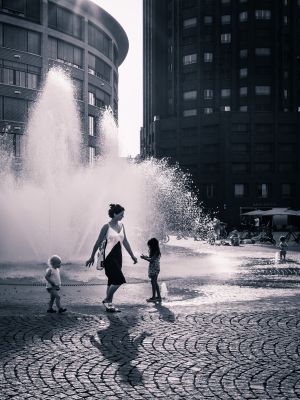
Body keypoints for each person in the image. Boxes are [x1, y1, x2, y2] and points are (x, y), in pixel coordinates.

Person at [86, 204, 137, 312]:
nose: (123, 216)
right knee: (118, 280)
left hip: (118, 256)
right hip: (108, 256)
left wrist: (132, 255)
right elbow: (98, 242)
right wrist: (92, 257)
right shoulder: (106, 226)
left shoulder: (122, 225)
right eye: (121, 214)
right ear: (114, 214)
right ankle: (107, 300)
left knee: (112, 280)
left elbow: (125, 241)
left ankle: (109, 305)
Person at [140, 238, 161, 303]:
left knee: (153, 283)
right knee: (154, 282)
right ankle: (159, 297)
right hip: (154, 267)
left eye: (150, 245)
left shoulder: (156, 251)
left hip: (154, 268)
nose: (149, 247)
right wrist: (146, 257)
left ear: (153, 245)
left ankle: (154, 297)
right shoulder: (155, 251)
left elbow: (151, 260)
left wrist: (144, 258)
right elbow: (151, 258)